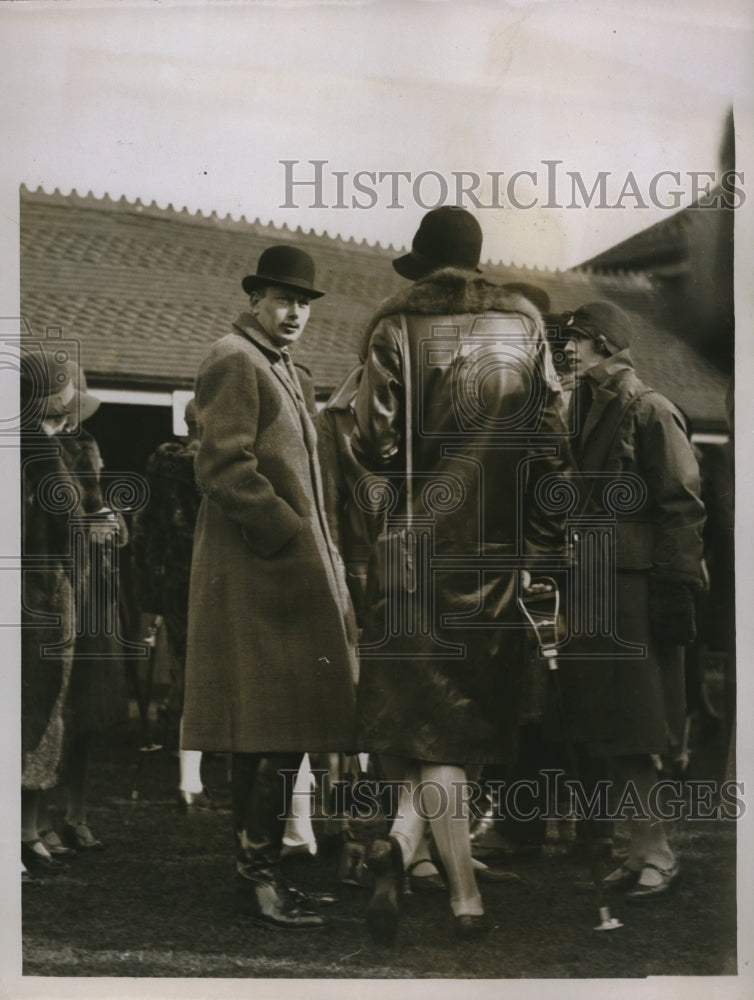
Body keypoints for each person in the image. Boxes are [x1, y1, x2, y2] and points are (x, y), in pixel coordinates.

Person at [352, 206, 568, 942]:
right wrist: (540, 549)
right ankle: (460, 893)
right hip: (492, 555)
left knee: (423, 724)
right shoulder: (525, 330)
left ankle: (405, 848)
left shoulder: (394, 327)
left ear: (423, 265)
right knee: (456, 725)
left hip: (410, 546)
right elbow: (550, 446)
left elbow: (373, 443)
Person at [182, 244, 357, 930]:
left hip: (288, 574)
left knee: (284, 728)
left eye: (303, 303)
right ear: (254, 298)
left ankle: (264, 875)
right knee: (268, 728)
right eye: (283, 299)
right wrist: (287, 535)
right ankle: (256, 880)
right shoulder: (235, 358)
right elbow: (222, 466)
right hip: (261, 574)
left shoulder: (278, 365)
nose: (294, 313)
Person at [559, 300, 706, 899]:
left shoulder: (650, 409)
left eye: (575, 339)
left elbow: (682, 506)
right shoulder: (582, 404)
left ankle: (657, 853)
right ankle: (638, 850)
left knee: (642, 726)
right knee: (614, 724)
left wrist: (675, 591)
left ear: (603, 342)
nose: (566, 349)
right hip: (598, 586)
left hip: (638, 591)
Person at [20, 347, 101, 875]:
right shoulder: (41, 454)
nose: (59, 424)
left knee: (35, 715)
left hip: (40, 593)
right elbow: (71, 522)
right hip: (40, 596)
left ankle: (26, 831)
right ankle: (21, 833)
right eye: (53, 414)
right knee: (34, 714)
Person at [131, 397, 213, 813]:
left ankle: (188, 777)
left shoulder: (161, 465)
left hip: (174, 583)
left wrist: (150, 592)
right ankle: (202, 772)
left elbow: (144, 529)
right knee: (216, 673)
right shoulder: (215, 467)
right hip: (213, 581)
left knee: (185, 670)